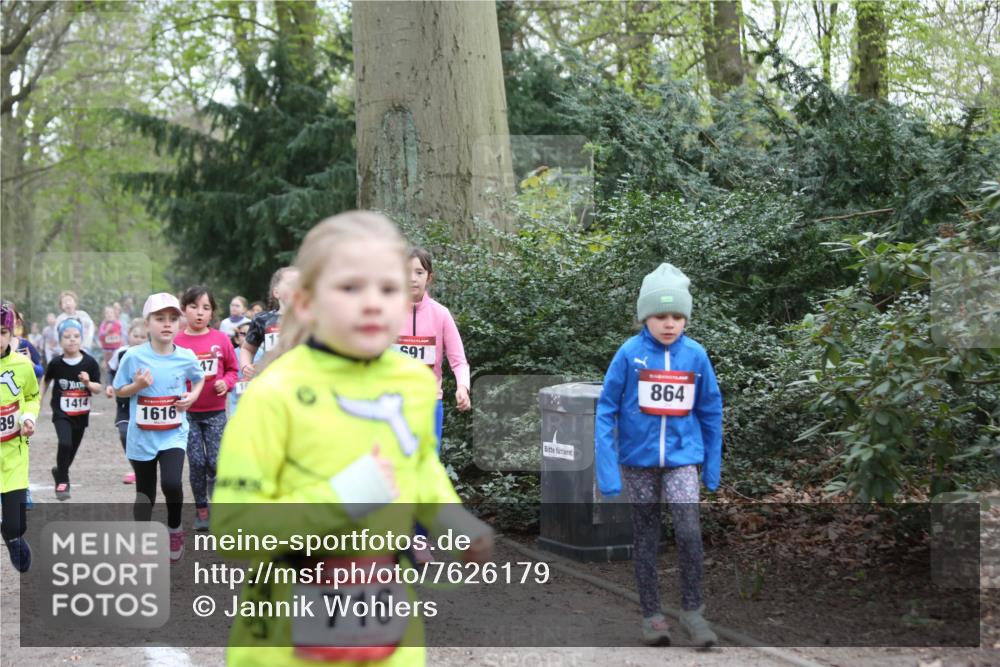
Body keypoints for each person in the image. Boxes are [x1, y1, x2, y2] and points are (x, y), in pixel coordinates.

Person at [212, 211, 494, 667]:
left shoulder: (413, 384)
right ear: (305, 303)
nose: (372, 303)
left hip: (388, 640)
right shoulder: (274, 393)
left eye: (388, 289)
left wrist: (454, 524)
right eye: (350, 288)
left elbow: (419, 469)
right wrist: (343, 497)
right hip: (285, 643)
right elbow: (233, 530)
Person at [595, 263, 723, 648]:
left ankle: (693, 612)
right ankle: (652, 616)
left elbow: (711, 410)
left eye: (677, 316)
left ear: (686, 318)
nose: (669, 323)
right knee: (646, 537)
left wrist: (712, 464)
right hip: (638, 462)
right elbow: (606, 410)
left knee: (688, 530)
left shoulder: (696, 356)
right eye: (660, 316)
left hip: (683, 459)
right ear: (645, 317)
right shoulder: (630, 353)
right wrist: (607, 471)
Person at [113, 293, 205, 563]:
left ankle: (174, 528)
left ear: (179, 323)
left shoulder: (186, 357)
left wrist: (193, 396)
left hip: (173, 433)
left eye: (173, 319)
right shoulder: (133, 356)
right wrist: (138, 387)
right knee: (145, 492)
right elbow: (119, 391)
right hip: (141, 436)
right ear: (147, 323)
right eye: (160, 318)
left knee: (172, 483)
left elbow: (198, 379)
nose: (167, 324)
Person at [175, 286, 239, 532]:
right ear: (184, 310)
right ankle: (202, 509)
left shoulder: (221, 339)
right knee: (197, 462)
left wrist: (227, 382)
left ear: (212, 313)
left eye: (206, 308)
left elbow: (233, 369)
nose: (199, 313)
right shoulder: (177, 341)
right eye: (194, 307)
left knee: (216, 462)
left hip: (215, 413)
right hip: (187, 414)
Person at [394, 248, 471, 449]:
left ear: (429, 277)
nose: (412, 278)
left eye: (419, 272)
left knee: (427, 467)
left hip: (429, 404)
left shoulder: (441, 314)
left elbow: (459, 360)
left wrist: (462, 387)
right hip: (392, 404)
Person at [41, 318, 103, 501]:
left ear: (81, 338)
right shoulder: (56, 363)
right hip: (61, 413)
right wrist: (37, 401)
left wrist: (87, 383)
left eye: (76, 336)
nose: (72, 339)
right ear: (60, 341)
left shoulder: (90, 363)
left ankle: (59, 470)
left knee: (72, 450)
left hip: (81, 414)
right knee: (65, 443)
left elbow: (98, 388)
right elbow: (45, 381)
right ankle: (63, 481)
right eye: (67, 336)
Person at [0, 303, 40, 572]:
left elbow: (31, 397)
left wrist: (28, 417)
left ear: (11, 333)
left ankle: (12, 537)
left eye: (2, 331)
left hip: (13, 453)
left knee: (16, 524)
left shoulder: (23, 365)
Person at [105, 318, 147, 484]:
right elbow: (111, 371)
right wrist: (109, 385)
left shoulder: (151, 353)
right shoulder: (121, 352)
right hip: (124, 404)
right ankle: (137, 470)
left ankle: (146, 468)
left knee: (143, 438)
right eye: (135, 335)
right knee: (124, 434)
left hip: (145, 404)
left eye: (143, 336)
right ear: (128, 335)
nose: (138, 339)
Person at [238, 267, 299, 380]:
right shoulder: (262, 320)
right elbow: (247, 349)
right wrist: (246, 367)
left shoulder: (312, 320)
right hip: (272, 382)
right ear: (276, 292)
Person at [226, 321, 251, 416]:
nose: (248, 337)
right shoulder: (231, 354)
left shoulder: (263, 354)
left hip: (257, 401)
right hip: (236, 404)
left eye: (252, 334)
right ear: (236, 339)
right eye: (244, 334)